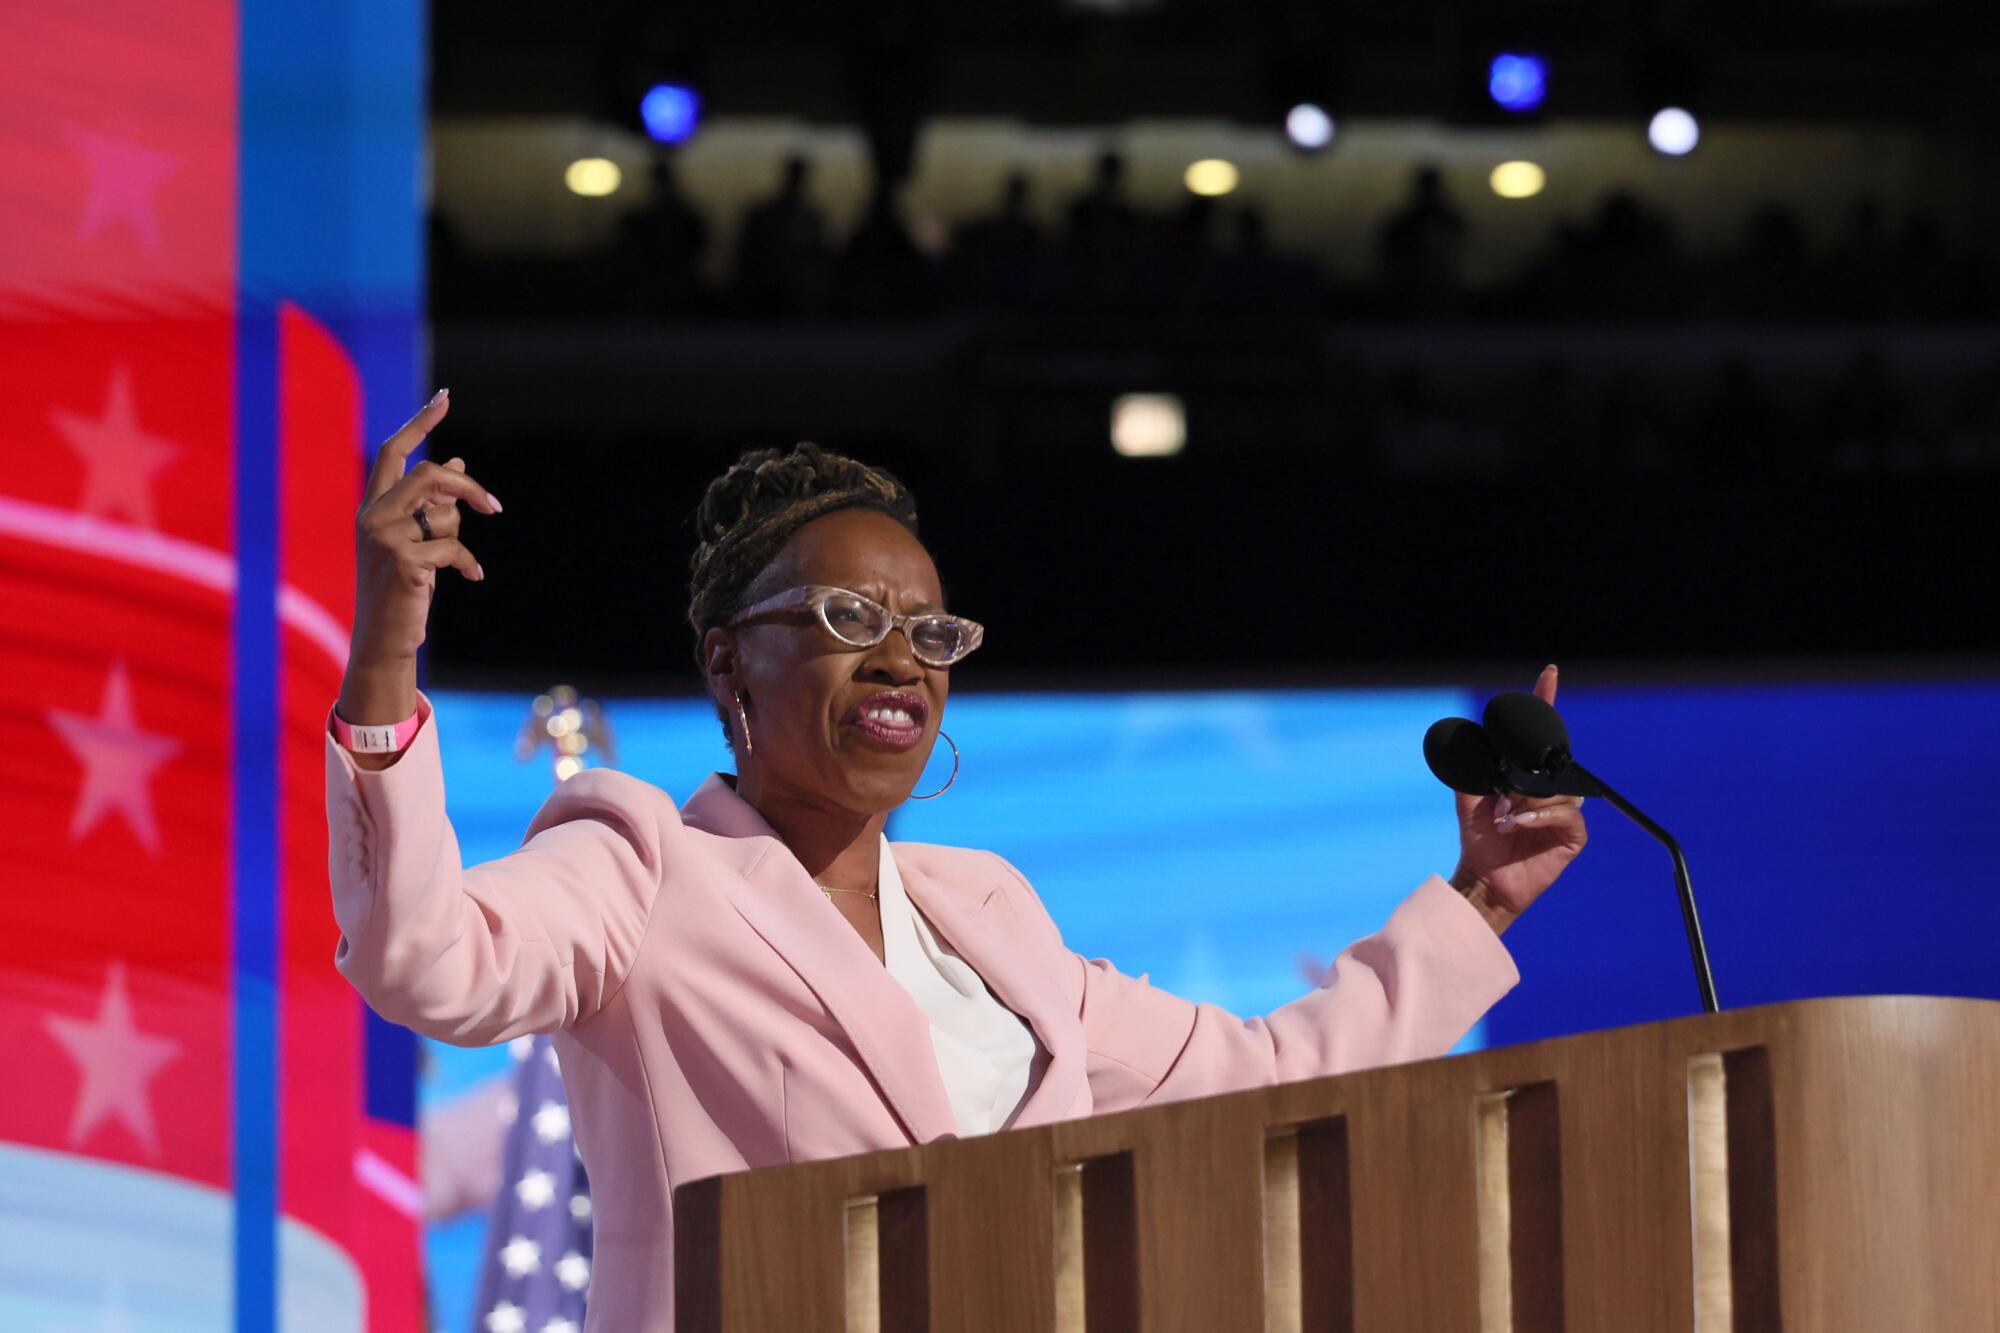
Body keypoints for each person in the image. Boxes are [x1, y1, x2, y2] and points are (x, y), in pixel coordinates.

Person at [325, 397, 1588, 1329]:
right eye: (846, 621)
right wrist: (387, 653)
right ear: (725, 661)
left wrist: (1478, 901)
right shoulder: (642, 862)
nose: (900, 661)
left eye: (927, 632)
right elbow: (425, 960)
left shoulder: (988, 913)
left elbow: (1263, 1075)